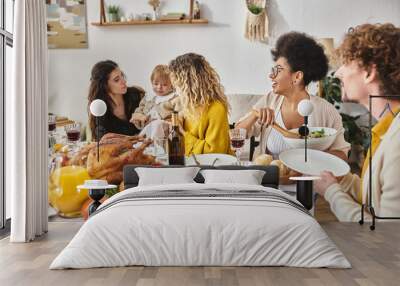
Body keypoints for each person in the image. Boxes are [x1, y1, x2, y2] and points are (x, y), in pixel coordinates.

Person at [314, 23, 400, 222]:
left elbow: (389, 238)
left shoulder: (397, 142)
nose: (337, 73)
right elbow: (376, 197)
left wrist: (331, 192)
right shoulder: (388, 129)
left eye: (347, 62)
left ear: (369, 72)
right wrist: (341, 179)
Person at [236, 32, 350, 160]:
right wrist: (254, 114)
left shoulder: (326, 111)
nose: (271, 76)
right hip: (272, 179)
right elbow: (236, 134)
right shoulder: (270, 100)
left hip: (309, 178)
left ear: (297, 77)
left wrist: (311, 159)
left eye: (278, 70)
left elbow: (342, 155)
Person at [168, 53, 232, 155]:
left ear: (188, 85)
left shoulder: (216, 109)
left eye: (177, 85)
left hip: (214, 168)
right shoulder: (188, 107)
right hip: (191, 165)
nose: (176, 90)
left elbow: (216, 153)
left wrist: (182, 134)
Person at [88, 60, 143, 140]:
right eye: (117, 80)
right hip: (119, 151)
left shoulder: (135, 95)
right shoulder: (99, 108)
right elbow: (102, 141)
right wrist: (133, 138)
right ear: (104, 86)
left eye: (122, 76)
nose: (124, 81)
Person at [130, 65, 179, 139]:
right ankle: (144, 141)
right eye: (156, 84)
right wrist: (139, 116)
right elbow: (140, 108)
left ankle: (150, 143)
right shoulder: (149, 97)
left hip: (163, 129)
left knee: (157, 125)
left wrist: (165, 121)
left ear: (172, 85)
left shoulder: (173, 98)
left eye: (164, 85)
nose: (159, 87)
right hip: (147, 125)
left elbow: (178, 117)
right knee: (142, 134)